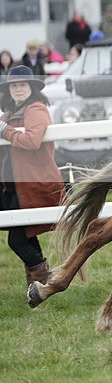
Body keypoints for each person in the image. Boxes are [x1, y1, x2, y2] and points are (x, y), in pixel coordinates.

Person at [0, 66, 65, 288]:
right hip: (15, 186)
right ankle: (38, 287)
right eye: (14, 86)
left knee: (16, 239)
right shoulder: (11, 113)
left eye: (22, 85)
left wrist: (4, 130)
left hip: (32, 184)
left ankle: (47, 281)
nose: (18, 89)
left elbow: (31, 141)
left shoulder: (35, 108)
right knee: (25, 234)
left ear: (31, 88)